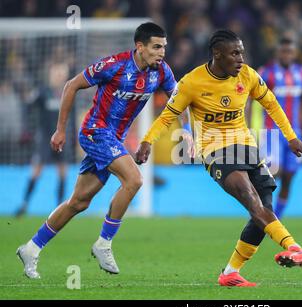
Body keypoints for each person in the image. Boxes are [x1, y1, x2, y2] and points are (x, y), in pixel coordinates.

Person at [136, 30, 302, 287]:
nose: (241, 58)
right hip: (216, 151)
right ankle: (294, 246)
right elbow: (168, 115)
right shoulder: (192, 82)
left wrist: (291, 137)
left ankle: (231, 272)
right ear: (217, 55)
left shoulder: (248, 75)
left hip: (246, 146)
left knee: (265, 210)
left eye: (241, 52)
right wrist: (146, 141)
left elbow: (272, 104)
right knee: (252, 202)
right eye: (234, 53)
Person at [16, 22, 191, 279]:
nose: (162, 52)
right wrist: (60, 130)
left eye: (164, 47)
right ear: (140, 47)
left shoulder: (162, 72)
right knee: (134, 179)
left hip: (114, 141)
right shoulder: (115, 65)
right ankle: (104, 243)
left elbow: (179, 102)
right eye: (156, 47)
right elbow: (70, 86)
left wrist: (185, 129)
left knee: (79, 202)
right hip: (94, 132)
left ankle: (31, 248)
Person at [257, 37, 302, 219]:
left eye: (290, 51)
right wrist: (250, 126)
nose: (286, 55)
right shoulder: (266, 73)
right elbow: (251, 101)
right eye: (283, 51)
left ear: (295, 53)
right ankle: (261, 211)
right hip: (271, 132)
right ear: (277, 52)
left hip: (294, 132)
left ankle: (277, 218)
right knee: (274, 172)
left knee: (289, 176)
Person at [15, 62, 72, 218]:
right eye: (56, 73)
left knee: (63, 173)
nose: (59, 76)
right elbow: (27, 106)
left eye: (62, 73)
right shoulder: (42, 91)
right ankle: (24, 204)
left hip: (62, 140)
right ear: (50, 75)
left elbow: (71, 118)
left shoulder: (69, 92)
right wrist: (26, 129)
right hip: (45, 140)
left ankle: (59, 210)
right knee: (36, 172)